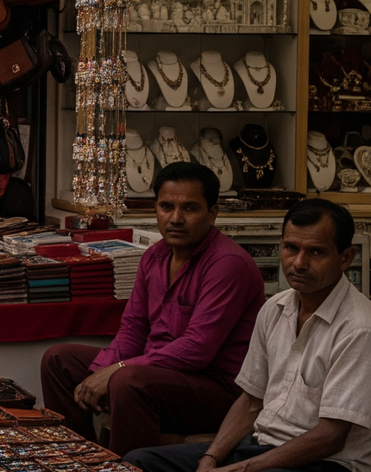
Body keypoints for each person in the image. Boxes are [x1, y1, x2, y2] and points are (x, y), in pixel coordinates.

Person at [126, 199, 371, 472]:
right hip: (265, 447)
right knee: (142, 467)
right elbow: (250, 400)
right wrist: (211, 458)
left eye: (316, 252)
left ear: (346, 257)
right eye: (291, 248)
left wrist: (234, 470)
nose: (299, 262)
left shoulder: (361, 329)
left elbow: (331, 436)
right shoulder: (276, 308)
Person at [42, 162, 266, 455]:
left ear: (213, 213)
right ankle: (81, 466)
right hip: (157, 371)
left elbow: (196, 350)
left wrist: (118, 369)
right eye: (166, 206)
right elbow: (133, 329)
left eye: (190, 208)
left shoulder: (227, 265)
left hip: (216, 390)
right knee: (58, 360)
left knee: (128, 382)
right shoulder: (154, 256)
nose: (175, 218)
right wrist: (99, 372)